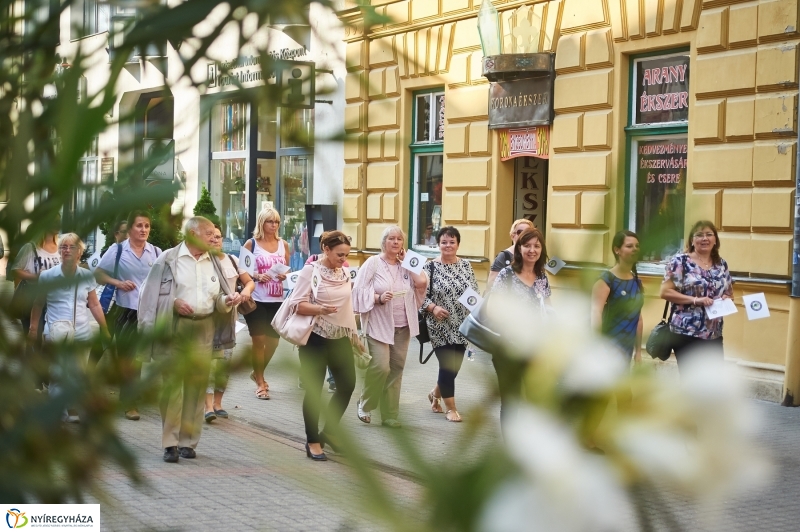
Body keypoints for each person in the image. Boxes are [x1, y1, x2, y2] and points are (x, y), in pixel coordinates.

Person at [138, 216, 240, 463]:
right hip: (175, 327)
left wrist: (227, 302)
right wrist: (173, 303)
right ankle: (170, 443)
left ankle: (188, 442)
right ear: (193, 234)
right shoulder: (168, 259)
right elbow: (147, 293)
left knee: (196, 386)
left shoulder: (213, 261)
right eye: (209, 234)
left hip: (205, 327)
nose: (214, 239)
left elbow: (215, 298)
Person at [288, 231, 361, 460]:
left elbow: (348, 307)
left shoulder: (344, 272)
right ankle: (312, 441)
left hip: (339, 336)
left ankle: (328, 431)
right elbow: (297, 305)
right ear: (326, 250)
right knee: (314, 390)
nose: (343, 259)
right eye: (339, 254)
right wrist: (320, 309)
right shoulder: (311, 271)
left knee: (347, 385)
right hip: (315, 337)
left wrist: (354, 336)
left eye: (346, 255)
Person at [29, 233, 110, 423]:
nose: (66, 250)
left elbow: (95, 304)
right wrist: (33, 329)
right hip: (56, 331)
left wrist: (104, 329)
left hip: (81, 331)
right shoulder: (48, 276)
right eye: (63, 247)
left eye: (71, 247)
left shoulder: (86, 276)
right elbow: (38, 304)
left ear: (79, 252)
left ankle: (72, 406)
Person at [352, 226, 427, 428]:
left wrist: (409, 262)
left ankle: (390, 415)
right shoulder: (372, 263)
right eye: (391, 239)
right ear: (383, 242)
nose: (395, 242)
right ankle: (365, 403)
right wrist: (377, 298)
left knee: (396, 369)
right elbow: (358, 291)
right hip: (378, 323)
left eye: (399, 239)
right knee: (381, 367)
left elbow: (421, 283)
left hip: (403, 324)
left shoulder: (408, 264)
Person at [93, 211, 161, 421]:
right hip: (121, 310)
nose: (143, 230)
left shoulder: (156, 252)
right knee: (108, 353)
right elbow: (98, 274)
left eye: (147, 226)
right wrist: (118, 283)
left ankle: (130, 401)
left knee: (135, 358)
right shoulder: (118, 250)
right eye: (139, 226)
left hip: (145, 312)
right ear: (130, 228)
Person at [487, 227, 551, 421]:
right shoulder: (507, 274)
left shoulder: (542, 277)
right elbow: (492, 308)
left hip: (534, 348)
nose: (532, 250)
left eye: (536, 246)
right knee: (511, 401)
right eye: (527, 245)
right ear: (519, 248)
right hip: (508, 347)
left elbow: (548, 311)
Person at [421, 226, 479, 422]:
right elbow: (418, 296)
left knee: (454, 367)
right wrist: (433, 308)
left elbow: (474, 293)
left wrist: (477, 312)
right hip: (439, 325)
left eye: (451, 242)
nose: (448, 245)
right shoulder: (429, 267)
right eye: (444, 242)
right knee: (447, 366)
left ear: (458, 244)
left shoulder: (466, 265)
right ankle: (451, 409)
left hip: (462, 325)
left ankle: (435, 393)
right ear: (438, 244)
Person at [659, 221, 733, 370]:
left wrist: (726, 298)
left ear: (715, 240)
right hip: (686, 332)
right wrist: (695, 300)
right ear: (692, 240)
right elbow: (665, 292)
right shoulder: (680, 262)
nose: (704, 238)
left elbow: (729, 293)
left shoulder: (721, 264)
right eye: (699, 235)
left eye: (709, 234)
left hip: (714, 333)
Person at [204, 224, 255, 423]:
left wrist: (245, 292)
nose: (215, 240)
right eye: (212, 236)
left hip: (229, 320)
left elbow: (249, 281)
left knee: (224, 362)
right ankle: (207, 406)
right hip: (207, 319)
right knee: (208, 363)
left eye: (218, 236)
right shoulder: (202, 262)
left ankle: (218, 403)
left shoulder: (233, 260)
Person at [241, 208, 290, 400]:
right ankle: (260, 382)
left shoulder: (283, 244)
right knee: (258, 340)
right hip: (257, 299)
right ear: (262, 223)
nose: (274, 225)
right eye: (270, 221)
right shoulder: (251, 244)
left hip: (277, 299)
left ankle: (257, 372)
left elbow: (286, 268)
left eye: (276, 222)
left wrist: (283, 275)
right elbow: (242, 270)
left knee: (273, 342)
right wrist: (256, 275)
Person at [591, 230, 644, 365]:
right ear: (617, 250)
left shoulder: (637, 282)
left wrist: (638, 352)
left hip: (627, 347)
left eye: (637, 246)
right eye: (629, 246)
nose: (635, 249)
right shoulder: (607, 279)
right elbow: (596, 312)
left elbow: (638, 317)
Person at [87, 217, 129, 370]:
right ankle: (89, 371)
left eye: (129, 232)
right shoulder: (112, 251)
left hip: (129, 305)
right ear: (116, 234)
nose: (127, 235)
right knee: (105, 339)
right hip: (112, 303)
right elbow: (97, 276)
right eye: (124, 232)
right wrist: (117, 281)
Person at [11, 215, 61, 337]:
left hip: (55, 300)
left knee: (53, 337)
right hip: (32, 299)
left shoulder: (61, 247)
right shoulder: (30, 247)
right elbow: (15, 270)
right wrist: (36, 277)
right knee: (33, 337)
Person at [486, 218, 534, 290]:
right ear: (512, 236)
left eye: (528, 232)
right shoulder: (504, 256)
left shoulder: (533, 255)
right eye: (520, 232)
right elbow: (491, 283)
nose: (524, 235)